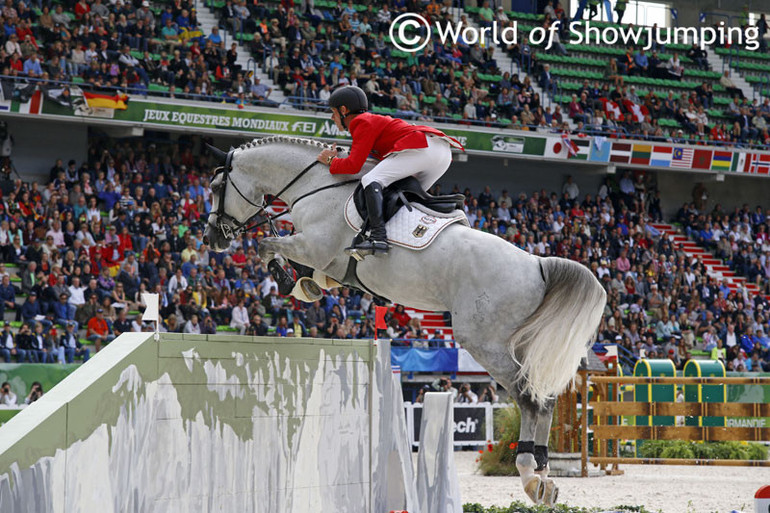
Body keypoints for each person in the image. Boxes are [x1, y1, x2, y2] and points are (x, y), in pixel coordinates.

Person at [316, 86, 463, 257]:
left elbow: (354, 166)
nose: (332, 117)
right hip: (441, 152)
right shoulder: (370, 121)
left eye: (333, 112)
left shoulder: (360, 121)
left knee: (371, 180)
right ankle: (423, 229)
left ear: (343, 110)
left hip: (423, 148)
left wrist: (330, 160)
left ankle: (378, 238)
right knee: (405, 195)